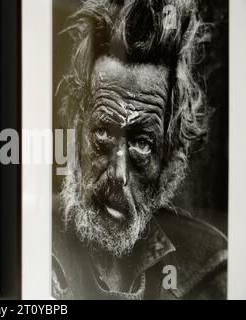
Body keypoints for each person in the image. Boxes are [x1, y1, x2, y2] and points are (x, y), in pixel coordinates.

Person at [53, 0, 227, 300]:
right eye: (103, 134)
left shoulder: (206, 266)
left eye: (141, 143)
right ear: (77, 128)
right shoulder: (31, 237)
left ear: (171, 160)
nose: (118, 174)